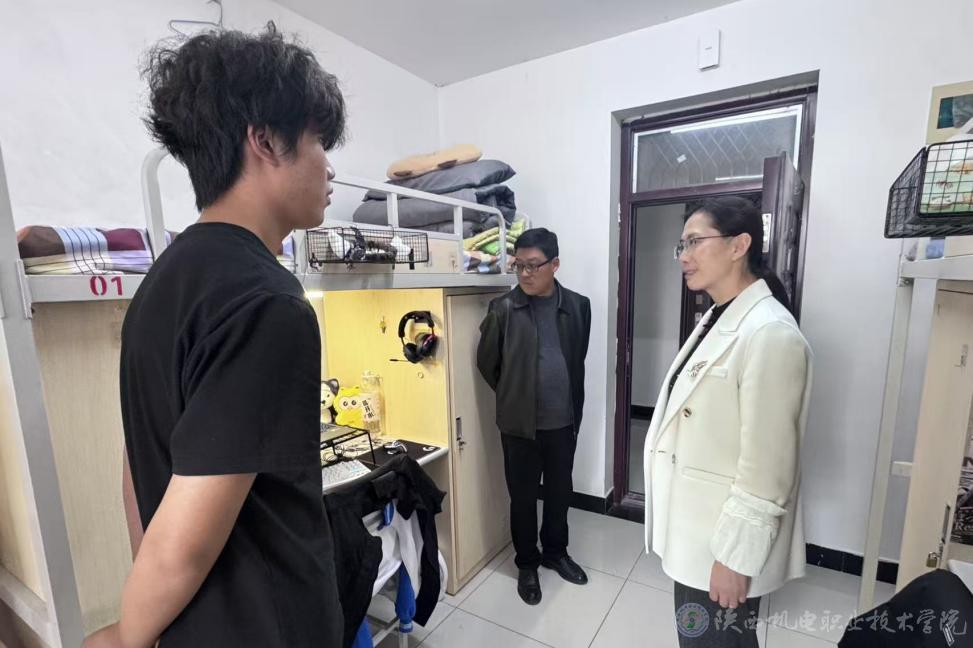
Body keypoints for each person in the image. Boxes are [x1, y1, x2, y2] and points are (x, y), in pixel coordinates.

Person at [83, 24, 346, 647]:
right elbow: (187, 546)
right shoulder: (269, 303)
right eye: (317, 140)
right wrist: (126, 636)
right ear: (265, 140)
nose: (329, 165)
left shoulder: (161, 282)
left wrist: (152, 616)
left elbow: (140, 465)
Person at [643, 196, 812, 647]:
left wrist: (735, 558)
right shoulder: (719, 316)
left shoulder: (770, 333)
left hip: (723, 543)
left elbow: (768, 469)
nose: (683, 256)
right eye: (681, 245)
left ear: (739, 245)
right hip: (698, 530)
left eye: (695, 242)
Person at [476, 228, 592, 606]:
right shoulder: (503, 309)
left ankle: (556, 553)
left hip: (563, 422)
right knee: (523, 499)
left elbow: (576, 358)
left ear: (554, 265)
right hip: (519, 427)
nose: (525, 274)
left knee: (559, 494)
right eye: (519, 266)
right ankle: (527, 563)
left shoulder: (578, 306)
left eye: (533, 266)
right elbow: (487, 364)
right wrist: (515, 396)